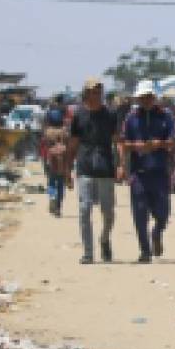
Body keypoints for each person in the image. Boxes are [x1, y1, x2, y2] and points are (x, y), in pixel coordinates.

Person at [121, 81, 175, 263]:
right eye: (142, 97)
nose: (146, 100)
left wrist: (158, 144)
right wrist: (136, 148)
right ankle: (145, 251)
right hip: (138, 173)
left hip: (160, 172)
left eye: (149, 97)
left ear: (154, 97)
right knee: (139, 213)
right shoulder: (131, 118)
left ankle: (157, 233)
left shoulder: (165, 116)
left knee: (163, 212)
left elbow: (173, 141)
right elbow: (123, 143)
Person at [68, 77, 121, 264]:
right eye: (92, 91)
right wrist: (68, 169)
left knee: (108, 212)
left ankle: (105, 239)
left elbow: (117, 141)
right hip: (85, 167)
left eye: (99, 91)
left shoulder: (110, 114)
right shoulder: (78, 115)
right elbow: (73, 144)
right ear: (86, 93)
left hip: (105, 167)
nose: (96, 95)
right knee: (84, 209)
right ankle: (88, 252)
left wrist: (121, 165)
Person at [39, 101, 72, 218]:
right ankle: (58, 206)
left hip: (50, 161)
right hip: (62, 161)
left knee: (51, 183)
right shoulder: (65, 132)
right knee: (61, 184)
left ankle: (52, 199)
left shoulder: (47, 132)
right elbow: (69, 147)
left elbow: (43, 147)